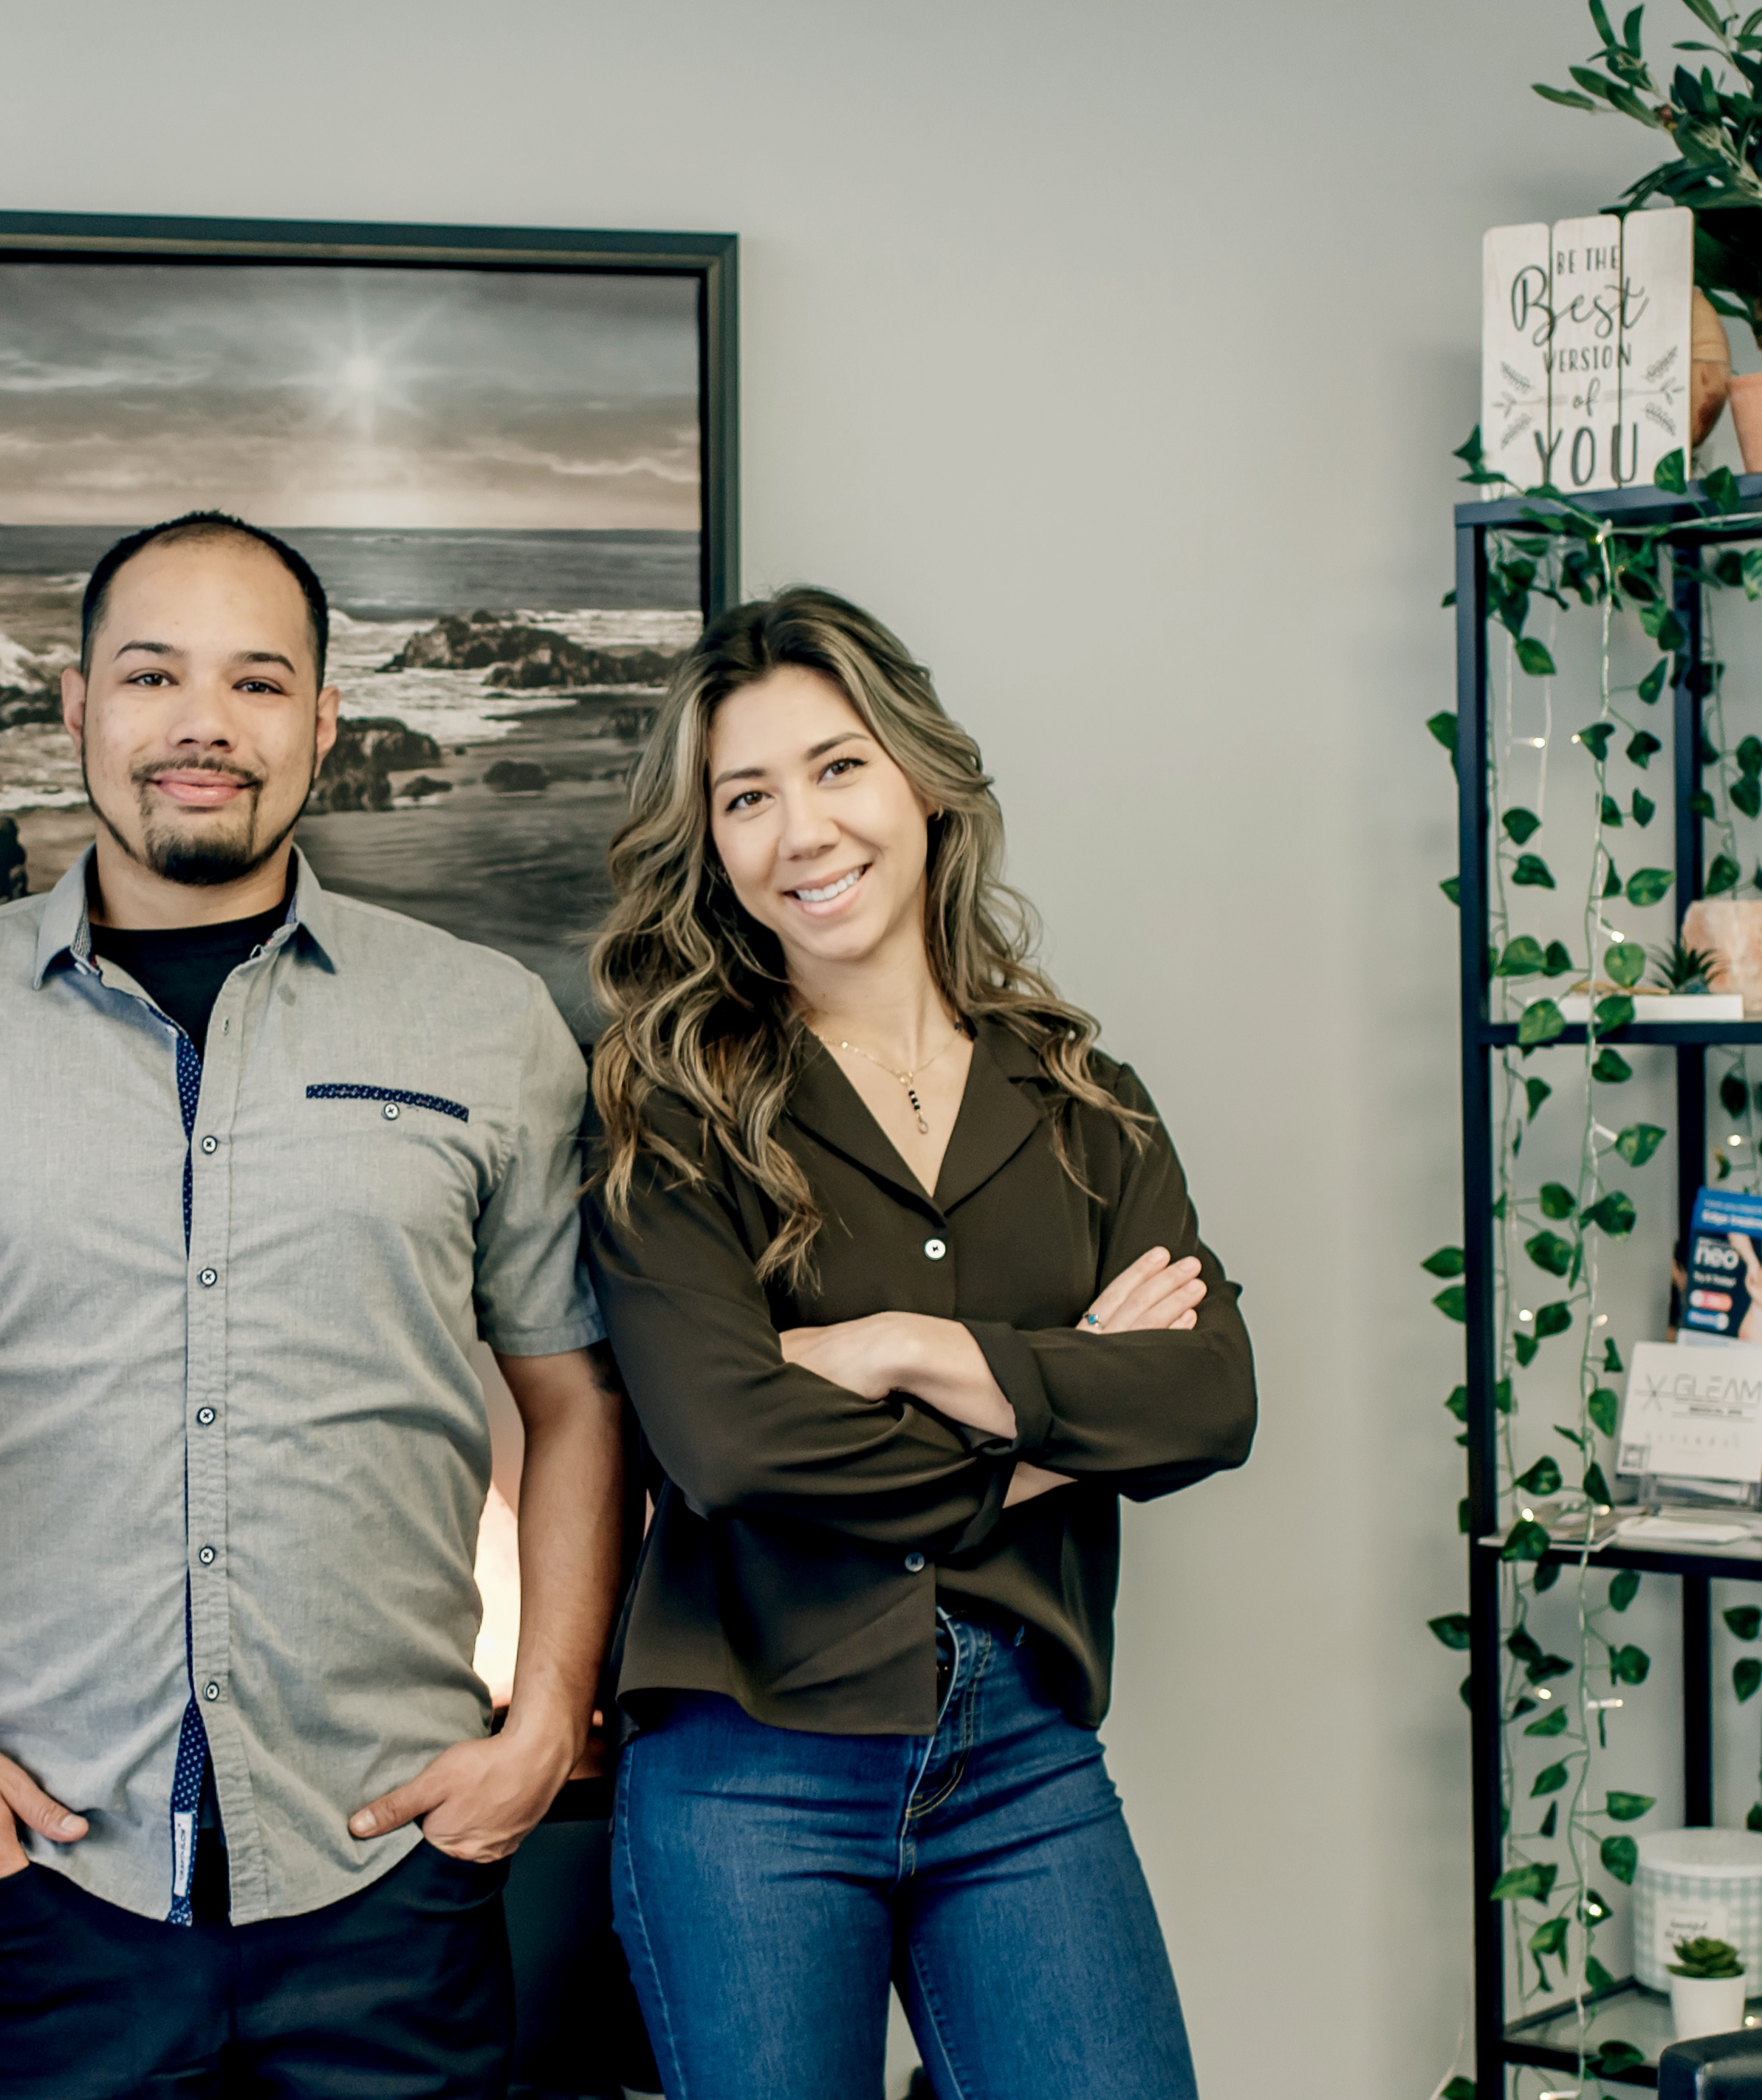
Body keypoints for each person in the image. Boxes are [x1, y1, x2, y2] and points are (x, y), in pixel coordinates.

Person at [0, 510, 626, 2099]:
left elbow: (577, 1397)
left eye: (256, 681)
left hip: (394, 1880)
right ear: (75, 706)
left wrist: (546, 1725)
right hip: (33, 1882)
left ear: (323, 723)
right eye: (153, 675)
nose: (202, 726)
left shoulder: (484, 1025)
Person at [580, 587, 1254, 2100]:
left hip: (1018, 1746)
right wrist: (1052, 1411)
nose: (799, 832)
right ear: (712, 849)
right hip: (748, 1765)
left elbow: (1207, 1399)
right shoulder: (670, 1107)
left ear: (922, 781)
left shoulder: (1084, 1099)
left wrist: (895, 1345)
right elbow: (732, 1447)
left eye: (836, 768)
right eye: (743, 799)